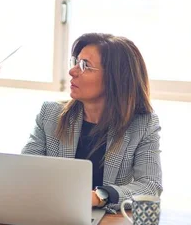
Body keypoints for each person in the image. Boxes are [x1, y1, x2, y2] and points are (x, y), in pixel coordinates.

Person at [22, 33, 162, 211]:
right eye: (76, 62)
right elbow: (26, 170)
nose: (72, 72)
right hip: (53, 215)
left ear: (115, 79)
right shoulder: (50, 114)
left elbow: (150, 186)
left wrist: (99, 196)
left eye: (85, 66)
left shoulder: (143, 125)